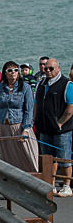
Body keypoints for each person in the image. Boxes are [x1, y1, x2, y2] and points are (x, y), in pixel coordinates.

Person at [0, 61, 39, 173]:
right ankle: (10, 176)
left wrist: (26, 128)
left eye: (16, 70)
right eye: (10, 70)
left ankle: (32, 176)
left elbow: (28, 109)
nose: (13, 72)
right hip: (3, 126)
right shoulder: (0, 87)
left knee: (26, 154)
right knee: (7, 155)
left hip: (19, 125)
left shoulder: (25, 87)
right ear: (5, 73)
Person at [33, 58, 73, 197]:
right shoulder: (41, 83)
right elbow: (36, 103)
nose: (48, 71)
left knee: (64, 158)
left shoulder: (66, 84)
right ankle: (51, 184)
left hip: (61, 131)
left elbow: (71, 106)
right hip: (44, 128)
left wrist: (61, 122)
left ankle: (67, 185)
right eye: (46, 68)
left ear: (58, 68)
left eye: (51, 68)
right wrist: (34, 118)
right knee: (49, 159)